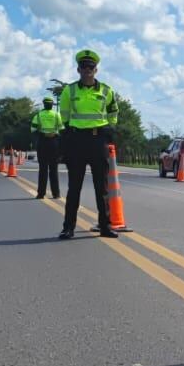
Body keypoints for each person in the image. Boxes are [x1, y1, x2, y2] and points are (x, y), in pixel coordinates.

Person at [58, 49, 119, 239]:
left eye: (90, 67)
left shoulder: (107, 90)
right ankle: (68, 227)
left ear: (96, 69)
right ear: (78, 69)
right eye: (84, 67)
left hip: (98, 140)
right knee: (74, 187)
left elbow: (113, 112)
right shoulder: (70, 90)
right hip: (77, 141)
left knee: (102, 187)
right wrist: (69, 134)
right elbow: (64, 114)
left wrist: (110, 128)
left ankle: (105, 226)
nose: (87, 70)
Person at [30, 96, 63, 199]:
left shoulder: (38, 115)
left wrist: (43, 134)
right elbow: (62, 129)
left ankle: (41, 194)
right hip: (54, 143)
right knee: (54, 169)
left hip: (43, 143)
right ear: (52, 105)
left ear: (44, 104)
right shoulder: (57, 114)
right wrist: (55, 134)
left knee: (43, 169)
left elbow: (33, 130)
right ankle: (56, 194)